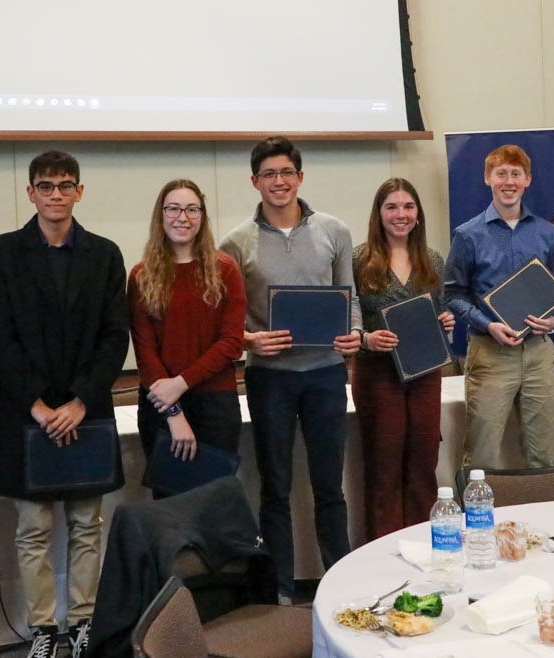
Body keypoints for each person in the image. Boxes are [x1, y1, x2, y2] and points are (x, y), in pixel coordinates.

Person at [0, 150, 129, 658]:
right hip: (29, 413)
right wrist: (40, 406)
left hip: (88, 410)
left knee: (88, 525)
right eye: (46, 186)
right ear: (31, 193)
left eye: (66, 185)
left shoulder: (105, 254)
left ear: (80, 191)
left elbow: (115, 337)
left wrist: (82, 402)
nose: (57, 194)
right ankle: (43, 627)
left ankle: (83, 620)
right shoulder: (2, 252)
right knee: (33, 529)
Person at [219, 135, 362, 603]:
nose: (278, 182)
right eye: (268, 175)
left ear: (300, 177)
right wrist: (248, 339)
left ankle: (339, 586)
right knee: (275, 490)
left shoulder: (335, 231)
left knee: (329, 488)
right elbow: (226, 321)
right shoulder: (235, 243)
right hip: (269, 378)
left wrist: (353, 334)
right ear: (255, 181)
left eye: (286, 173)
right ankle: (278, 591)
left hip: (325, 374)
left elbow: (350, 299)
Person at [444, 144, 554, 469]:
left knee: (545, 455)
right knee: (483, 455)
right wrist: (487, 324)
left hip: (538, 353)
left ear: (527, 180)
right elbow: (453, 294)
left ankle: (544, 518)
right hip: (490, 353)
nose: (508, 181)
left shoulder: (546, 232)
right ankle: (480, 520)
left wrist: (553, 319)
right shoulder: (467, 235)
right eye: (501, 174)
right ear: (487, 178)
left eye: (515, 174)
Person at [351, 177, 454, 540]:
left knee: (424, 459)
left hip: (425, 373)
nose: (401, 214)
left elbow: (439, 314)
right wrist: (367, 339)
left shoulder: (433, 260)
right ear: (378, 214)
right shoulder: (360, 260)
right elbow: (350, 322)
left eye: (408, 206)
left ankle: (426, 541)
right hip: (378, 374)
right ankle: (385, 547)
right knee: (385, 463)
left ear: (418, 214)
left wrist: (447, 322)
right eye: (391, 207)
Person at [128, 179, 246, 490]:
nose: (183, 217)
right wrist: (173, 412)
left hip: (215, 406)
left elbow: (232, 343)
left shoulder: (226, 270)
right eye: (174, 209)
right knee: (169, 511)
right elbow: (144, 350)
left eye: (193, 209)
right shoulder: (141, 276)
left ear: (203, 217)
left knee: (215, 508)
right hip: (160, 407)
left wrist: (179, 384)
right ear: (161, 215)